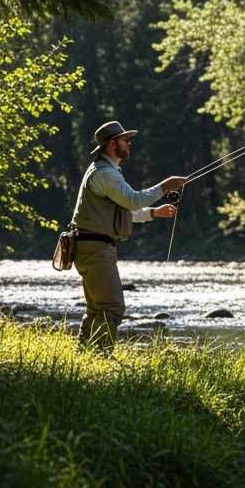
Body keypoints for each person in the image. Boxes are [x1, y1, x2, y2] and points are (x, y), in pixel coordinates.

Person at [71, 121, 187, 350]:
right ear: (112, 145)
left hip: (92, 246)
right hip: (95, 248)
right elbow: (133, 199)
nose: (129, 143)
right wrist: (165, 185)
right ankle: (99, 358)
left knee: (97, 308)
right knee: (112, 307)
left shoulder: (105, 172)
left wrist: (153, 212)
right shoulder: (105, 174)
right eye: (125, 140)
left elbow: (123, 210)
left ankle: (85, 356)